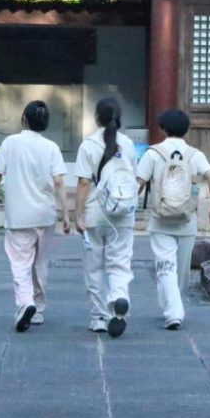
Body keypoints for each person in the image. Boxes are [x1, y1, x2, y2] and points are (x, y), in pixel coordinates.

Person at [0, 100, 70, 332]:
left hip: (18, 216)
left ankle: (25, 303)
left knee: (20, 263)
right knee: (40, 263)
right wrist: (66, 214)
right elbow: (58, 182)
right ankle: (39, 309)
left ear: (24, 118)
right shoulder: (51, 147)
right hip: (45, 215)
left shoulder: (11, 142)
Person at [136, 108, 210, 330]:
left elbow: (139, 183)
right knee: (180, 272)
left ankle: (172, 309)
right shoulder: (195, 155)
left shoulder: (153, 154)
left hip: (160, 220)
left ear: (162, 128)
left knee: (165, 266)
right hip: (186, 220)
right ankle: (174, 309)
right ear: (186, 129)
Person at [74, 97, 138, 338]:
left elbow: (83, 182)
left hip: (94, 214)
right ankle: (119, 298)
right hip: (122, 215)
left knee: (94, 268)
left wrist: (77, 215)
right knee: (119, 263)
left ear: (96, 118)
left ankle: (99, 317)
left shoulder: (88, 145)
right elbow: (133, 179)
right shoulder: (128, 144)